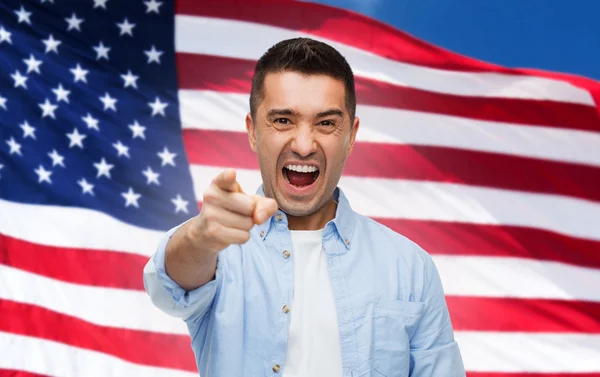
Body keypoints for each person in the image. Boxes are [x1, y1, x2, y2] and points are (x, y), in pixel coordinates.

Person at [143, 37, 466, 377]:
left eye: (326, 123)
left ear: (351, 135)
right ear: (253, 132)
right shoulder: (217, 246)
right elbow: (168, 288)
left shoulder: (410, 267)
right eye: (283, 120)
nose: (303, 144)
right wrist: (199, 237)